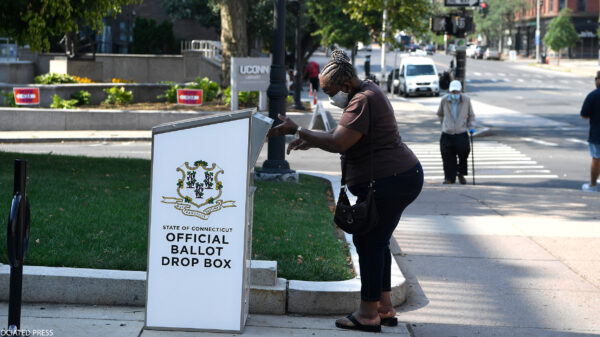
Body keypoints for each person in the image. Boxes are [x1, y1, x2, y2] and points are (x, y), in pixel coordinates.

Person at [267, 50, 423, 333]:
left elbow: (339, 142)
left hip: (393, 179)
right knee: (377, 241)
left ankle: (368, 315)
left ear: (346, 86)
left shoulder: (362, 100)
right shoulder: (367, 91)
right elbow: (348, 139)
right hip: (400, 177)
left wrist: (298, 130)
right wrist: (313, 141)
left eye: (331, 92)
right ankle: (383, 308)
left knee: (369, 242)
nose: (331, 98)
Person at [436, 80, 475, 185]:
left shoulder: (466, 100)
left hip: (461, 132)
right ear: (450, 91)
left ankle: (460, 172)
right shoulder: (444, 100)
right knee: (447, 156)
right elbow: (440, 114)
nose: (455, 94)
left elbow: (471, 115)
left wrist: (471, 126)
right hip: (447, 133)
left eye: (457, 92)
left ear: (460, 91)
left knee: (464, 151)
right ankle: (449, 178)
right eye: (453, 92)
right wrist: (444, 125)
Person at [580, 71, 600, 192]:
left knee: (596, 158)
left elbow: (584, 115)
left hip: (597, 133)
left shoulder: (593, 95)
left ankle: (593, 185)